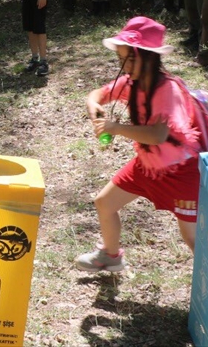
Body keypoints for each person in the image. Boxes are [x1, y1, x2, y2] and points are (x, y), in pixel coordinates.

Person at [74, 17, 201, 272]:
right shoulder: (131, 82)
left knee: (192, 238)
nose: (124, 65)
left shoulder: (168, 89)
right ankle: (111, 255)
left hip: (181, 171)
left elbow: (158, 135)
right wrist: (94, 106)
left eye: (129, 59)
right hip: (147, 165)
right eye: (120, 59)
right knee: (104, 203)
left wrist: (115, 128)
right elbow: (98, 93)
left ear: (149, 57)